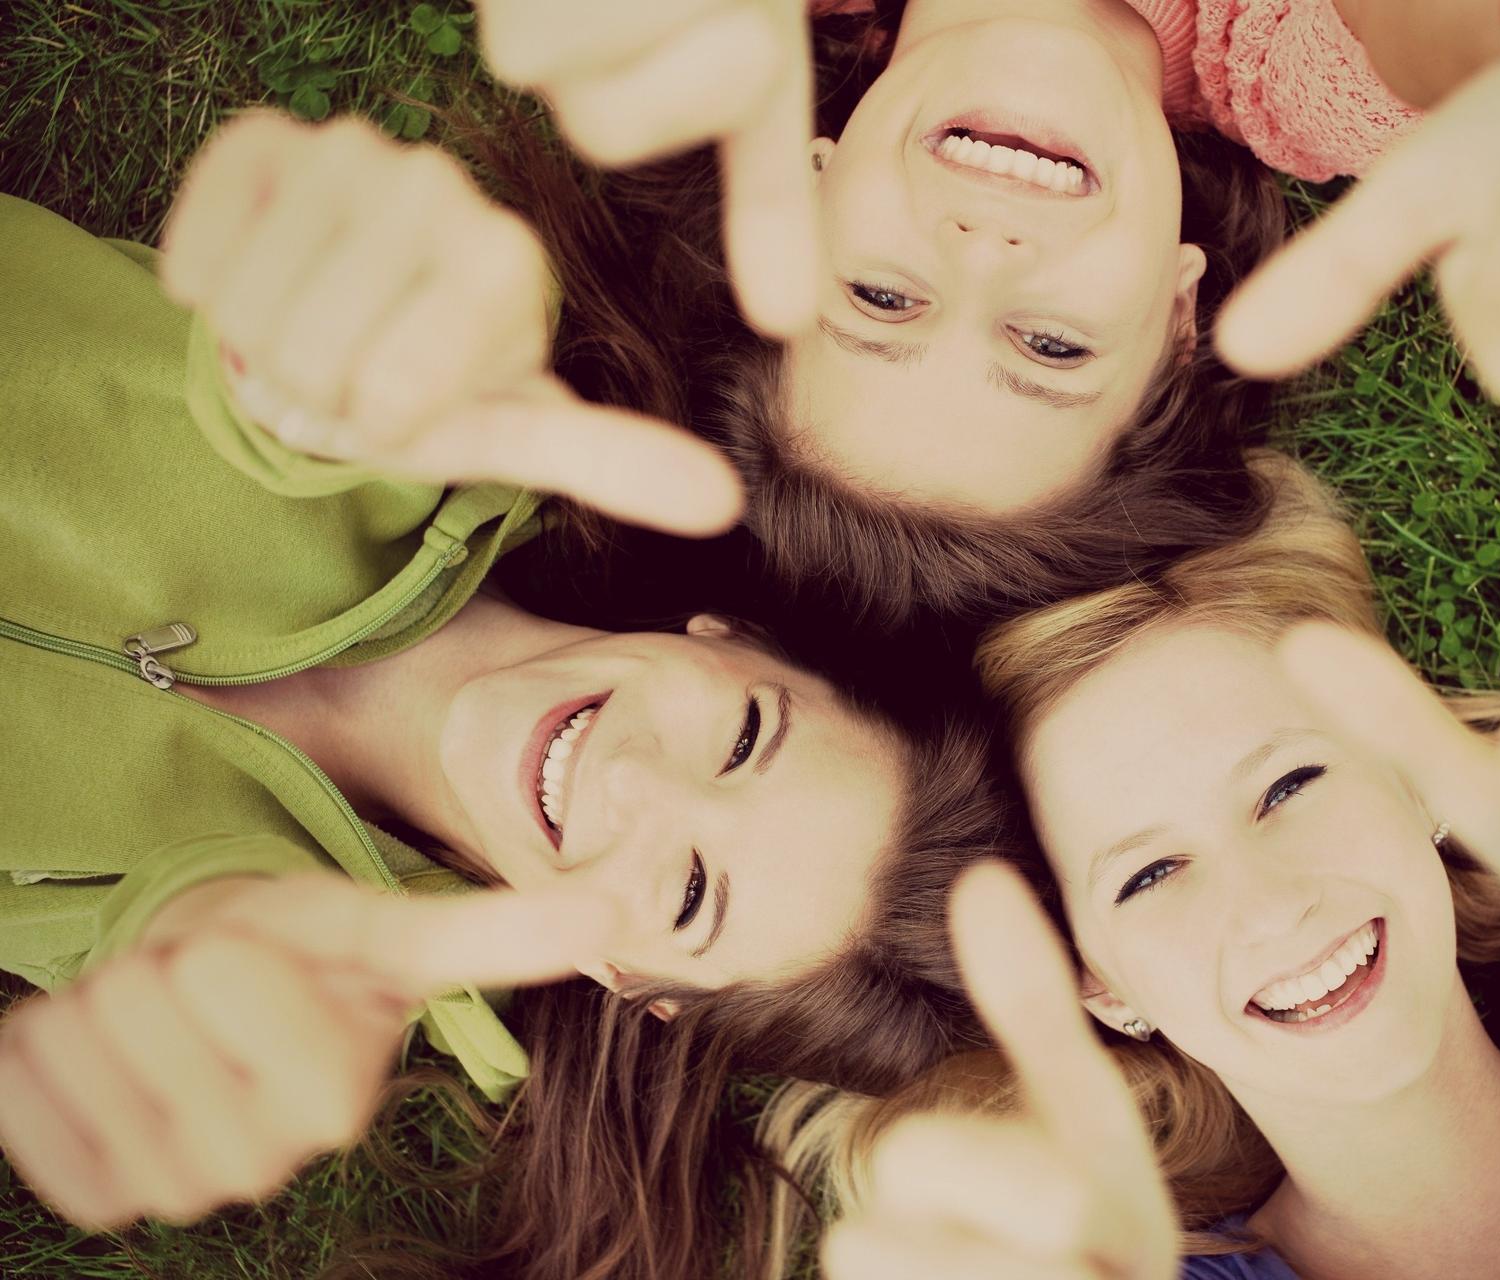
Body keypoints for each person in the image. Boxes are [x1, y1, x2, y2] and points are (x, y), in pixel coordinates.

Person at [0, 113, 1014, 1280]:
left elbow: (164, 940)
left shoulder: (308, 973)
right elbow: (313, 387)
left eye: (691, 889)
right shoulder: (463, 432)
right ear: (734, 638)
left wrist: (200, 964)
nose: (633, 777)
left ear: (631, 982)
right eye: (743, 736)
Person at [794, 456, 1500, 1280]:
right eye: (1149, 874)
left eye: (1289, 785)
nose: (1270, 903)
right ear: (1099, 983)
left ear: (1414, 773)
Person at [466, 0, 1500, 626]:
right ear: (1176, 313)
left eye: (882, 298)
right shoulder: (1302, 68)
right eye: (1050, 346)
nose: (984, 255)